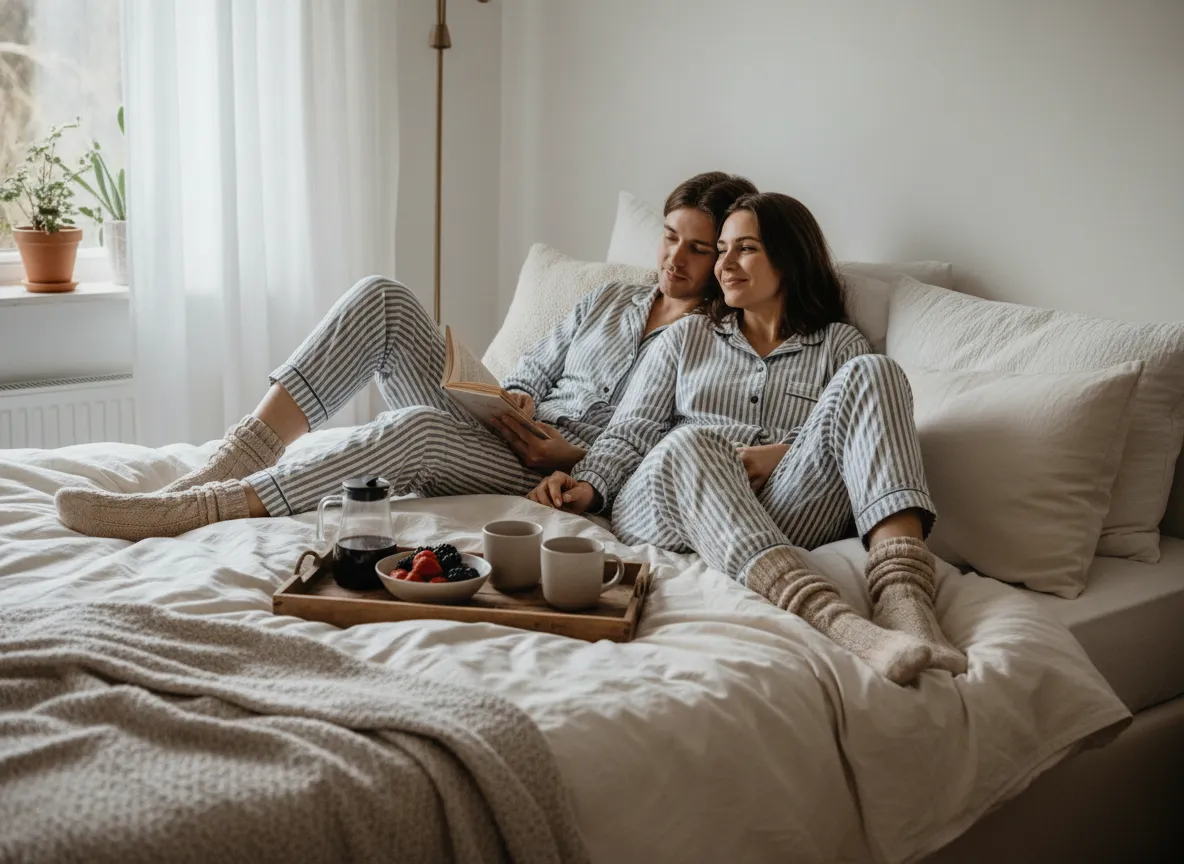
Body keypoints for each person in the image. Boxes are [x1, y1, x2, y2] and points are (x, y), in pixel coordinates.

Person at [55, 172, 758, 541]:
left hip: (548, 474)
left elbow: (670, 452)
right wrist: (510, 398)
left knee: (414, 434)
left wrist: (567, 458)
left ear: (725, 255)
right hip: (505, 428)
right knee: (383, 296)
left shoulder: (715, 343)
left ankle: (210, 506)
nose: (676, 258)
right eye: (670, 237)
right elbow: (531, 373)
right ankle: (235, 460)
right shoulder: (608, 300)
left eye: (700, 248)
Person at [527, 192, 966, 686]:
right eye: (722, 249)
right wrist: (587, 484)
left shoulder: (839, 343)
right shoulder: (686, 337)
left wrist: (783, 453)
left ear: (789, 257)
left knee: (877, 371)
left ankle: (904, 601)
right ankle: (837, 622)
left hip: (785, 506)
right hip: (673, 501)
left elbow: (851, 434)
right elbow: (633, 430)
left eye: (746, 249)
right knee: (697, 443)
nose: (724, 264)